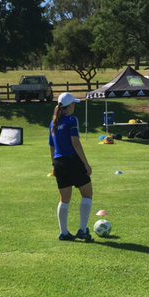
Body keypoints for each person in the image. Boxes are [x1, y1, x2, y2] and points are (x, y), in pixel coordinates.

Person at [49, 93, 93, 241]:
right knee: (87, 194)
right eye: (73, 104)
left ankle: (64, 232)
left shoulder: (53, 123)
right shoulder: (72, 120)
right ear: (70, 105)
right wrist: (86, 164)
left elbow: (51, 146)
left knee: (64, 199)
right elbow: (75, 142)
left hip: (59, 163)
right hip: (72, 161)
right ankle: (82, 230)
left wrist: (54, 165)